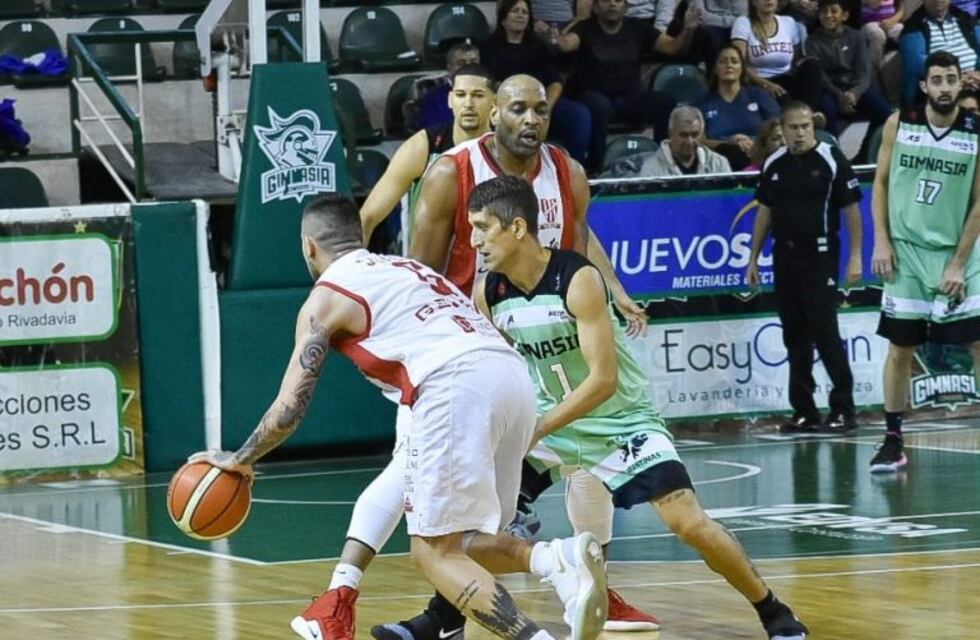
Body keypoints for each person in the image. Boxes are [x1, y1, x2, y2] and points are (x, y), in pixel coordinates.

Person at [314, 73, 655, 640]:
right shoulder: (449, 169)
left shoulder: (566, 172)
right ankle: (452, 605)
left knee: (519, 489)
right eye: (515, 107)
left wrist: (612, 293)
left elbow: (577, 250)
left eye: (540, 110)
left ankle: (570, 585)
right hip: (463, 350)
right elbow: (420, 271)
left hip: (534, 347)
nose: (529, 119)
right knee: (445, 496)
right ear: (493, 112)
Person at [189, 195, 609, 640]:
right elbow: (400, 474)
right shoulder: (408, 270)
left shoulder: (326, 297)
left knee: (433, 553)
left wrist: (241, 458)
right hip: (512, 380)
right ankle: (549, 563)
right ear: (361, 236)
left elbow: (289, 409)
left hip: (451, 385)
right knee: (466, 543)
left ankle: (552, 575)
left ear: (308, 247)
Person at [465, 174, 810, 640]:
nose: (474, 240)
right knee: (470, 524)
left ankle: (773, 611)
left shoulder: (577, 277)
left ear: (519, 228)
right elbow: (499, 368)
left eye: (483, 227)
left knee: (686, 521)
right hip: (548, 424)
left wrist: (535, 429)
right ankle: (441, 622)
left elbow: (603, 382)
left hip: (619, 421)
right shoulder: (489, 292)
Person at [870, 51, 980, 472]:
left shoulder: (975, 132)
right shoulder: (901, 122)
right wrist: (882, 240)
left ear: (960, 83)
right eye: (937, 80)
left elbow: (978, 203)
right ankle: (893, 439)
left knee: (977, 343)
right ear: (924, 86)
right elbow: (878, 183)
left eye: (951, 79)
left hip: (958, 252)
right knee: (901, 349)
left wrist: (958, 263)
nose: (945, 87)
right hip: (906, 251)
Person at [747, 101, 864, 432]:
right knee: (793, 334)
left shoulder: (830, 158)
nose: (800, 133)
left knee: (825, 331)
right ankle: (804, 410)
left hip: (821, 254)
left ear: (813, 127)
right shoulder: (774, 163)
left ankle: (843, 407)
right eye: (793, 127)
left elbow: (852, 209)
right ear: (782, 130)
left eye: (805, 127)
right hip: (785, 255)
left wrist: (855, 256)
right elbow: (764, 212)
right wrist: (753, 258)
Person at [556, 0, 699, 172]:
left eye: (618, 1)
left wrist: (688, 30)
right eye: (606, 1)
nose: (612, 4)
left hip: (630, 99)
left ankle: (665, 162)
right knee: (597, 105)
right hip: (596, 97)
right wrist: (557, 38)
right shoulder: (585, 28)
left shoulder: (637, 28)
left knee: (666, 101)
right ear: (595, 7)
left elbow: (673, 47)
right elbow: (567, 44)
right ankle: (595, 169)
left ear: (626, 7)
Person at [361, 63, 495, 243]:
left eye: (478, 95)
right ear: (450, 100)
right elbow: (367, 217)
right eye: (461, 95)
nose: (468, 103)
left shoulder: (504, 149)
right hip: (425, 264)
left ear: (494, 103)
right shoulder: (422, 146)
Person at [480, 0, 592, 164]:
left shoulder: (538, 46)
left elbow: (555, 82)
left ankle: (575, 167)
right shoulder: (489, 47)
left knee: (580, 115)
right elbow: (489, 84)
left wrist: (546, 107)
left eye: (524, 12)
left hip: (541, 104)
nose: (520, 15)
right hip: (508, 106)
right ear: (503, 18)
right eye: (515, 11)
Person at [806, 0, 893, 149]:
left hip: (855, 90)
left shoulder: (856, 36)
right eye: (824, 12)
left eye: (833, 11)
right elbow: (820, 77)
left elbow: (865, 72)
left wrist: (854, 94)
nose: (828, 16)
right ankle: (834, 155)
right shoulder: (812, 41)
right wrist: (840, 96)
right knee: (828, 112)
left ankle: (865, 151)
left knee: (886, 113)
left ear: (844, 15)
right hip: (830, 91)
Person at [731, 0, 827, 124]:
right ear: (754, 2)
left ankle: (809, 113)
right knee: (782, 95)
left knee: (812, 64)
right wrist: (764, 83)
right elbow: (738, 62)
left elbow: (797, 59)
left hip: (786, 77)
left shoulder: (788, 22)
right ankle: (803, 120)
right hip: (759, 81)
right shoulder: (743, 23)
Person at [698, 44, 782, 169]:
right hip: (720, 160)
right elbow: (699, 141)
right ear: (715, 68)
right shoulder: (703, 102)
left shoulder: (759, 95)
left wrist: (754, 145)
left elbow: (777, 129)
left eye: (734, 61)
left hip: (761, 158)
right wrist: (730, 143)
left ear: (742, 68)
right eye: (723, 61)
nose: (729, 65)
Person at [602, 105, 732, 176]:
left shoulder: (719, 164)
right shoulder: (651, 169)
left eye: (695, 134)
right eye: (683, 135)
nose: (690, 141)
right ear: (671, 135)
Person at [899, 0, 980, 105]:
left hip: (975, 82)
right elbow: (915, 66)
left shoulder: (965, 18)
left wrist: (976, 74)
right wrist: (957, 78)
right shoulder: (913, 27)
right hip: (943, 87)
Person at [415, 41, 481, 130]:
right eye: (462, 63)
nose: (469, 67)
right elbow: (433, 132)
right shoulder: (434, 98)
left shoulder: (490, 92)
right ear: (449, 66)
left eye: (473, 62)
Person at [859, 0, 904, 70]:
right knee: (877, 34)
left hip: (890, 22)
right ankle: (873, 69)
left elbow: (901, 9)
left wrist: (892, 21)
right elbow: (873, 5)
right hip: (869, 23)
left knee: (904, 32)